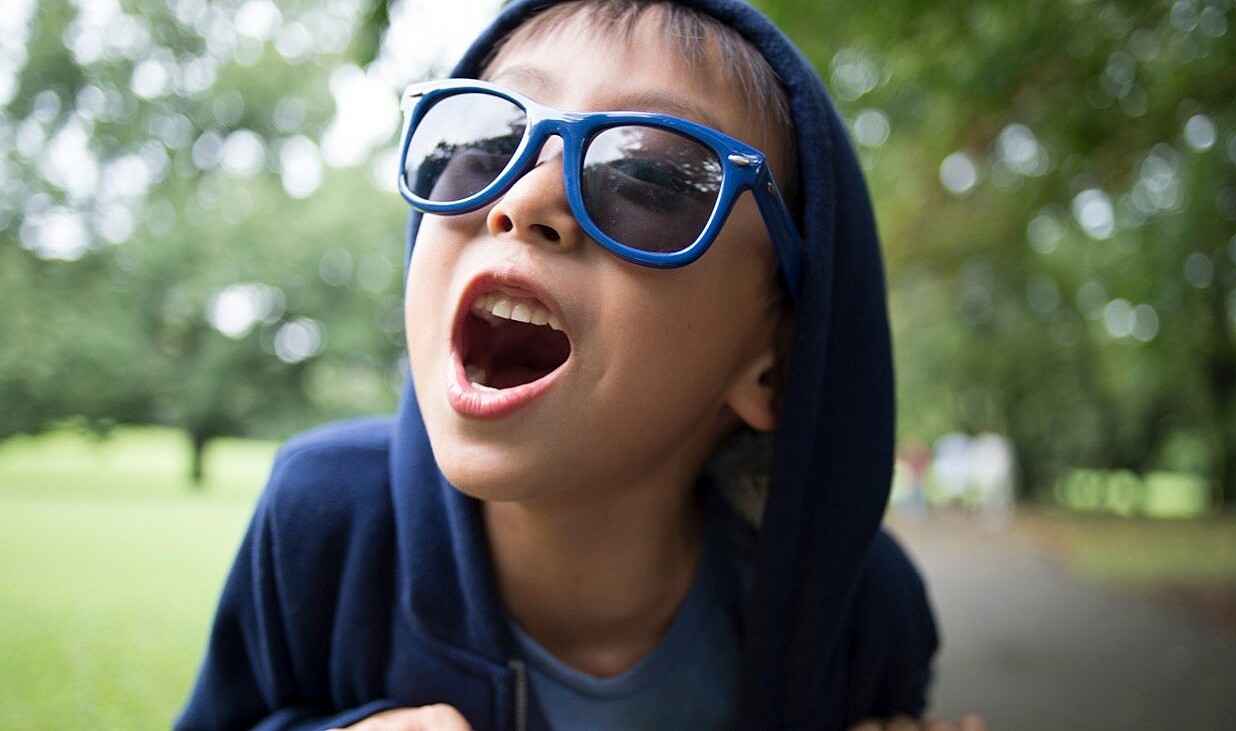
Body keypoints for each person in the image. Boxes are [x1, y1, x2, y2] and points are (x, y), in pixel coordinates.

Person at [177, 1, 978, 729]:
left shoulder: (861, 613)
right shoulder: (323, 526)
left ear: (774, 367)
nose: (524, 198)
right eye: (482, 145)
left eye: (648, 176)